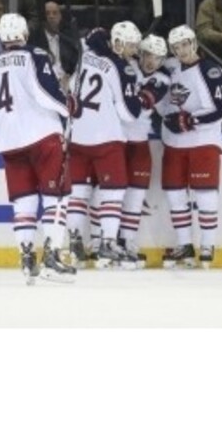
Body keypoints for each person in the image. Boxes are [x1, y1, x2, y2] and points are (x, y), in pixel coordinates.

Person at [0, 13, 77, 284]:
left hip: (9, 142)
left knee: (24, 201)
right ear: (24, 33)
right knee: (57, 197)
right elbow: (45, 92)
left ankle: (26, 259)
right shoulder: (35, 54)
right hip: (42, 136)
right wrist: (67, 106)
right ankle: (52, 258)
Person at [64, 23, 144, 269]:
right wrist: (139, 98)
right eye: (130, 45)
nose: (133, 51)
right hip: (106, 139)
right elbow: (129, 114)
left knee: (78, 194)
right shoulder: (121, 68)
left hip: (77, 136)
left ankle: (75, 245)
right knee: (113, 193)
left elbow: (70, 86)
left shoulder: (85, 56)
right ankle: (107, 245)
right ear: (117, 43)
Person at [156, 24, 222, 269]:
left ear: (194, 43)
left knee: (205, 194)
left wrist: (190, 120)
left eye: (185, 44)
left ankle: (207, 245)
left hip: (203, 142)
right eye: (176, 47)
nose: (181, 50)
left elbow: (221, 109)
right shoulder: (170, 68)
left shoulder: (210, 70)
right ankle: (185, 246)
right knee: (175, 194)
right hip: (174, 142)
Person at [117, 34, 172, 266]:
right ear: (141, 53)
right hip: (117, 139)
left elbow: (143, 103)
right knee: (111, 193)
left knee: (136, 194)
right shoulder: (125, 65)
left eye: (158, 58)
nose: (152, 61)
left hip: (139, 141)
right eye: (149, 55)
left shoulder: (162, 78)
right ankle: (105, 242)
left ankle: (126, 241)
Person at [27, 0, 79, 87]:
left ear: (60, 17)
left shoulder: (68, 40)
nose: (51, 16)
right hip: (45, 84)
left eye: (55, 13)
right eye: (47, 13)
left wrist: (70, 79)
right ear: (43, 17)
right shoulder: (34, 40)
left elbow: (74, 65)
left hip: (67, 83)